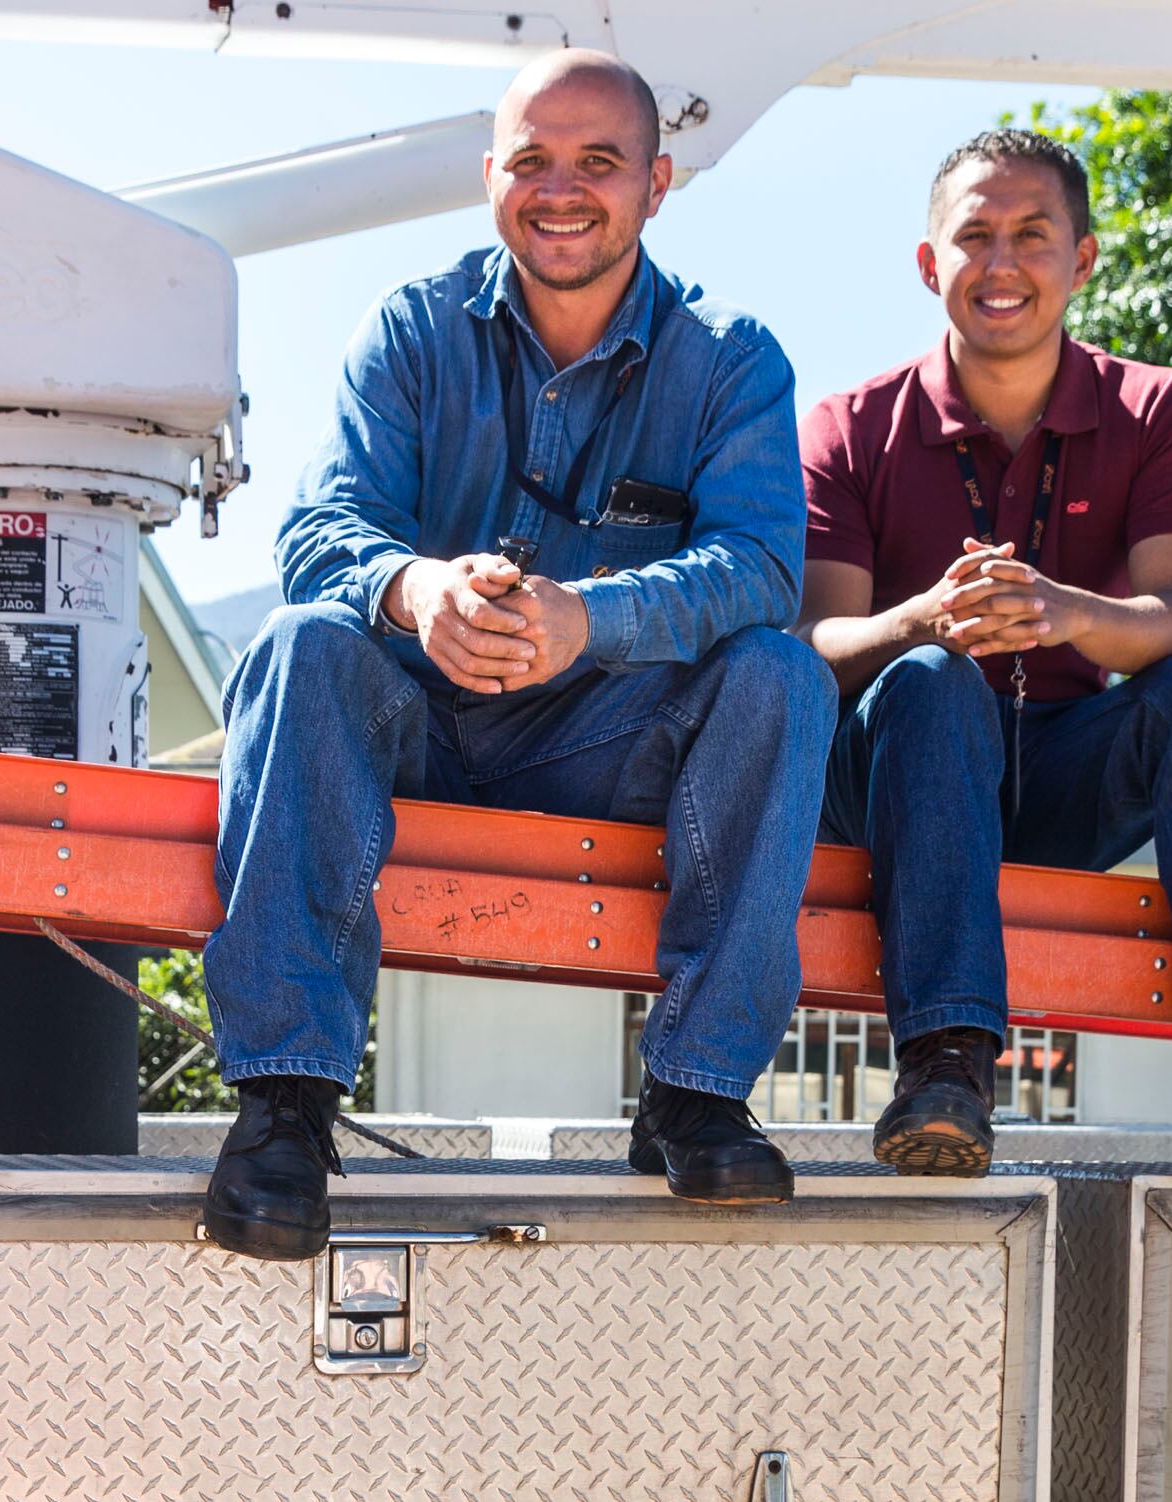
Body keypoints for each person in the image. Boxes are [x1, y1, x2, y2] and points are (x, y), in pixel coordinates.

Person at [201, 47, 832, 1260]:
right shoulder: (408, 330)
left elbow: (759, 566)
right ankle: (283, 1106)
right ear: (488, 173)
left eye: (598, 161)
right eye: (532, 159)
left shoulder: (729, 358)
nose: (561, 189)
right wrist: (415, 587)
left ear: (656, 182)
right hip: (405, 730)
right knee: (300, 643)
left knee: (779, 674)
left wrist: (586, 619)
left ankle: (696, 1092)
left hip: (602, 742)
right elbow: (318, 531)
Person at [799, 128, 1172, 1178]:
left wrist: (1059, 611)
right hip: (902, 778)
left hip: (1064, 767)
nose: (1000, 263)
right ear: (928, 263)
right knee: (930, 680)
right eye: (973, 236)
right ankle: (944, 1070)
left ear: (1082, 257)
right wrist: (925, 619)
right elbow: (814, 646)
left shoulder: (1159, 406)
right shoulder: (847, 423)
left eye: (1032, 235)